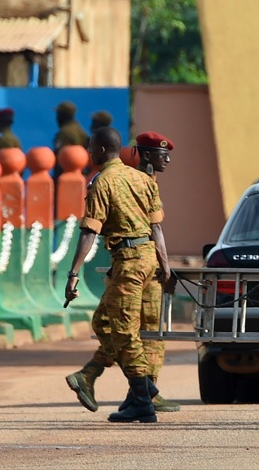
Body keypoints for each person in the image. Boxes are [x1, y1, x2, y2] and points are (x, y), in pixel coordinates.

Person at [63, 127, 172, 424]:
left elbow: (90, 231)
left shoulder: (101, 183)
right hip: (148, 257)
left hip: (128, 260)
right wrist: (165, 266)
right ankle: (137, 387)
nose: (87, 152)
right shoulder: (142, 178)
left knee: (124, 330)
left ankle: (142, 400)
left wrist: (73, 273)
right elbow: (157, 228)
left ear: (98, 151)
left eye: (89, 148)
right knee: (104, 322)